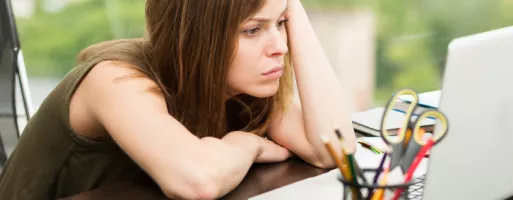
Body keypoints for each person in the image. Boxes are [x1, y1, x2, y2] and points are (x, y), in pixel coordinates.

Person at [0, 0, 356, 199]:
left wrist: (294, 9)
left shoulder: (242, 86)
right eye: (252, 30)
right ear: (196, 38)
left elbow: (335, 148)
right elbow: (197, 181)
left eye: (281, 24)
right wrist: (246, 145)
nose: (280, 47)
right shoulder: (113, 79)